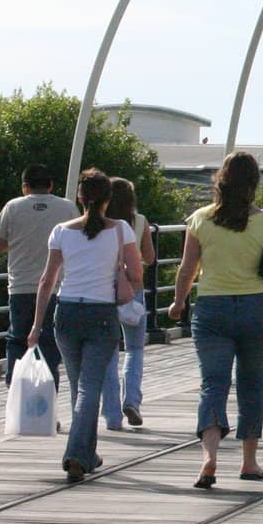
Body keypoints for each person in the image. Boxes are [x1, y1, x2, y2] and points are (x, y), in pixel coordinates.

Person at [168, 151, 263, 489]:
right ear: (254, 184)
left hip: (212, 308)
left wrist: (178, 302)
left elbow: (188, 268)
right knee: (252, 384)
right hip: (256, 309)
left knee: (213, 383)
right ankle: (249, 461)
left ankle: (209, 457)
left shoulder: (199, 219)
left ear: (220, 181)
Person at [27, 169, 143, 483]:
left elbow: (47, 280)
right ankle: (77, 455)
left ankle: (87, 455)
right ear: (108, 199)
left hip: (66, 315)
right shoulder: (120, 230)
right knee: (88, 390)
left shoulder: (61, 231)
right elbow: (137, 274)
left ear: (79, 197)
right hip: (101, 315)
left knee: (80, 389)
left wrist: (37, 325)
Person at [0, 163, 78, 387]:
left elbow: (0, 244)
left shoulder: (12, 207)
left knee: (18, 338)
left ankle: (15, 389)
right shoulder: (67, 208)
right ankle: (48, 401)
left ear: (24, 187)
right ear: (50, 185)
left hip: (20, 284)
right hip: (57, 286)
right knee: (50, 342)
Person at [102, 177, 156, 430]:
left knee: (109, 350)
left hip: (105, 292)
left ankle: (112, 410)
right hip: (133, 293)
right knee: (134, 348)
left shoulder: (101, 224)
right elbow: (150, 257)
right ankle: (132, 399)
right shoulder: (140, 221)